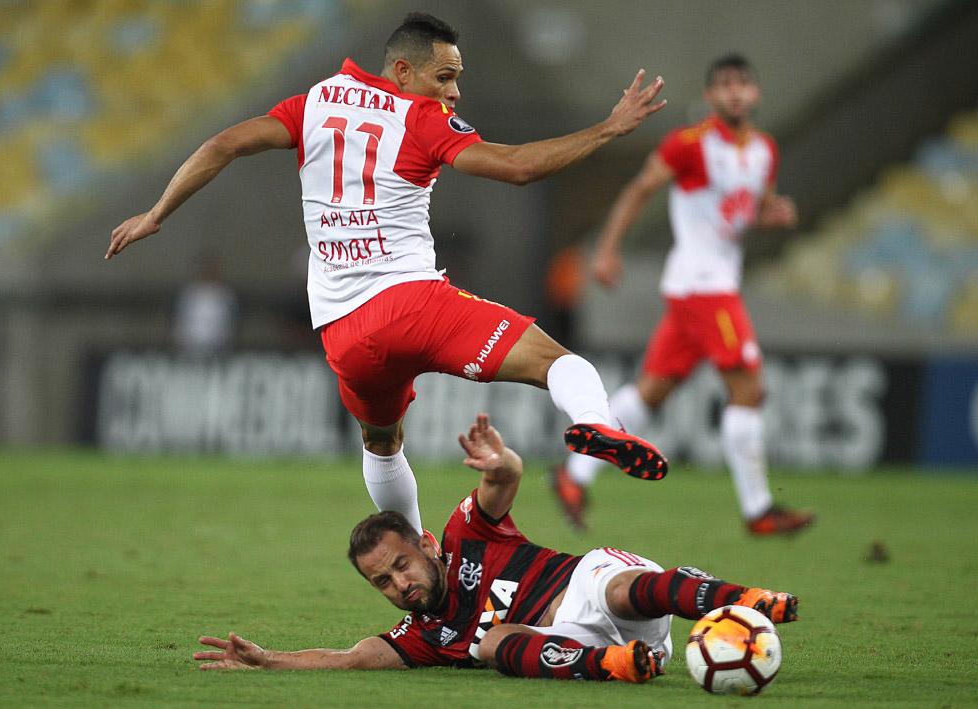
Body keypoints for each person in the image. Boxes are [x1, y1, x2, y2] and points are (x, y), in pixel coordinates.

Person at [106, 13, 672, 535]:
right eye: (444, 76)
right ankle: (597, 424)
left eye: (457, 79)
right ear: (403, 71)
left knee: (381, 442)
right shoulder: (422, 118)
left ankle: (415, 549)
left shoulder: (316, 102)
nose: (454, 91)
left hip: (344, 335)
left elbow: (223, 143)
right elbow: (517, 167)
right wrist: (607, 129)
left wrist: (156, 213)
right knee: (558, 363)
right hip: (414, 306)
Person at [193, 413, 799, 682]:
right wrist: (268, 660)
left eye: (402, 564)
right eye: (383, 582)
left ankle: (748, 601)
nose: (400, 584)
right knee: (491, 643)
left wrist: (501, 459)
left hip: (586, 586)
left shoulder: (466, 533)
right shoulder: (423, 639)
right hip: (581, 650)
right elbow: (349, 658)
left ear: (427, 544)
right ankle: (619, 668)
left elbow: (503, 479)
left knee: (620, 589)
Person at [552, 54, 814, 535]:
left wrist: (769, 214)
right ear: (711, 96)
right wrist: (607, 251)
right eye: (724, 85)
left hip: (703, 287)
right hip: (704, 287)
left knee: (652, 392)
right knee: (750, 389)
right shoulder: (689, 145)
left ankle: (573, 476)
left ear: (754, 93)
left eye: (742, 84)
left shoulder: (764, 151)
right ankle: (758, 509)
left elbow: (741, 212)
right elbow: (639, 190)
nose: (734, 92)